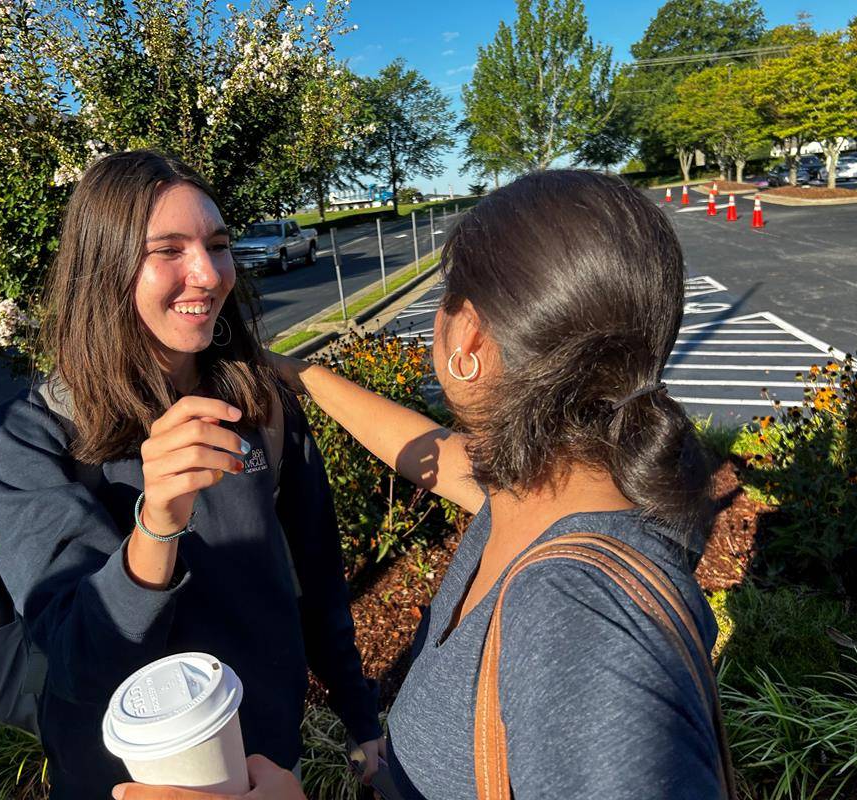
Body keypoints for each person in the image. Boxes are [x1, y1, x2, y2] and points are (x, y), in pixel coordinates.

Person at [114, 169, 727, 800]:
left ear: (469, 337)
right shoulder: (567, 488)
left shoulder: (580, 616)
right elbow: (424, 450)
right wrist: (298, 374)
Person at [0, 150, 382, 799]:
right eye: (168, 250)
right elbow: (78, 662)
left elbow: (315, 578)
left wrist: (359, 713)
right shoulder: (27, 441)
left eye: (217, 246)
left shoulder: (261, 406)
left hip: (267, 763)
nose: (208, 275)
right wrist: (156, 524)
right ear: (104, 267)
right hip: (119, 783)